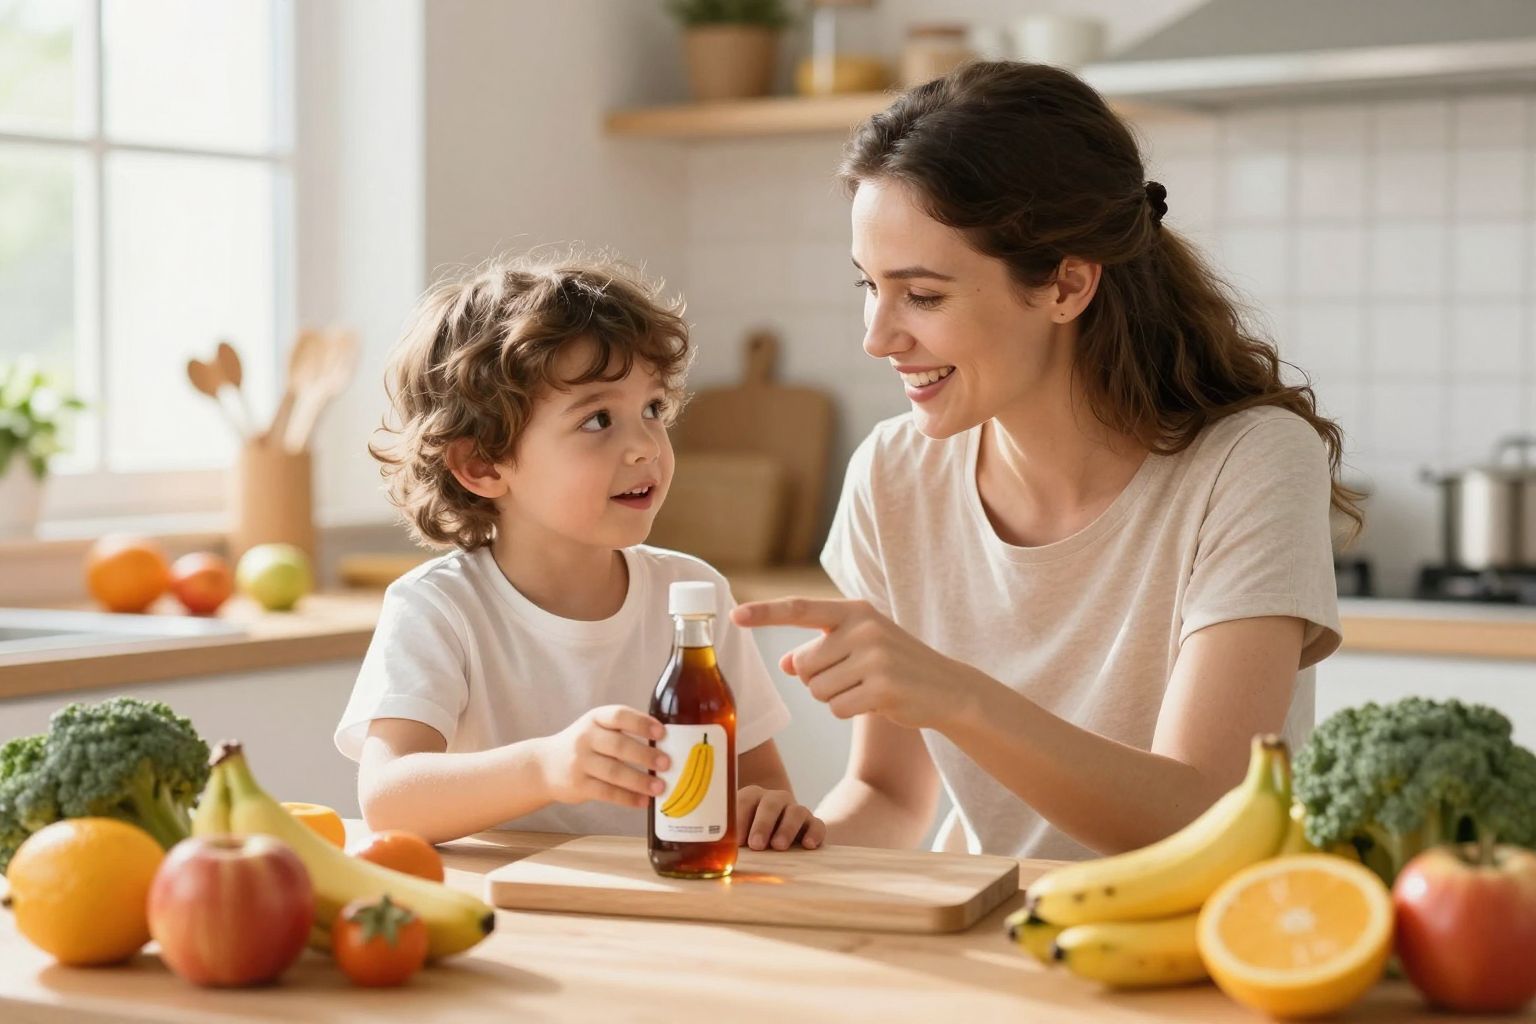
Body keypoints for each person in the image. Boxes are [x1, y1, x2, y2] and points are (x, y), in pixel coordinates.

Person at [733, 62, 1355, 861]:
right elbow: (889, 795)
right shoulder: (893, 474)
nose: (878, 336)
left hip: (1200, 952)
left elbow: (1206, 817)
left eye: (922, 296)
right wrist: (798, 844)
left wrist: (958, 698)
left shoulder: (1248, 464)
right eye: (870, 285)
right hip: (992, 935)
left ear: (1067, 284)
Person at [336, 250, 825, 852]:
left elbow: (759, 788)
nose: (647, 446)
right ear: (481, 464)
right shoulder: (438, 608)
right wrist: (547, 766)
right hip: (508, 916)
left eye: (652, 409)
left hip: (668, 913)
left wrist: (770, 813)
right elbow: (389, 800)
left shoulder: (693, 597)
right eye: (598, 420)